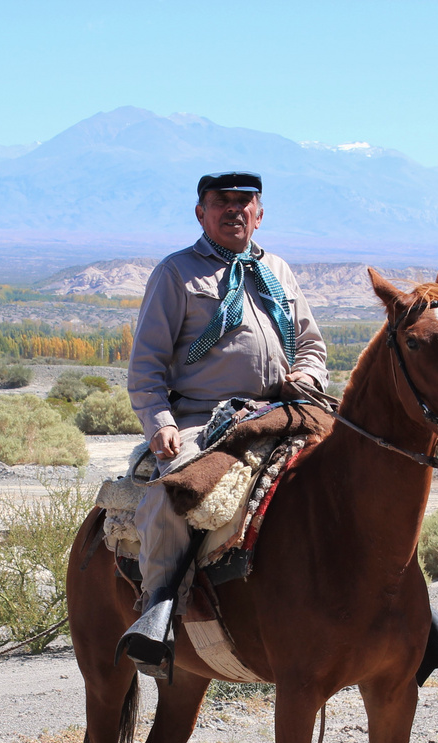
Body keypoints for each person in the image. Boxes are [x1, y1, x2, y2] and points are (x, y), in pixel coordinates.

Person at [118, 171, 328, 667]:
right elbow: (145, 366)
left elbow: (313, 346)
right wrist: (160, 423)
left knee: (368, 465)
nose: (234, 210)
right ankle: (159, 611)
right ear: (201, 213)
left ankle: (405, 604)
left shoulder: (277, 269)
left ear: (260, 213)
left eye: (244, 202)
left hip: (283, 410)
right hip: (203, 418)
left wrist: (306, 375)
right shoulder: (177, 273)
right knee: (174, 493)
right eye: (221, 202)